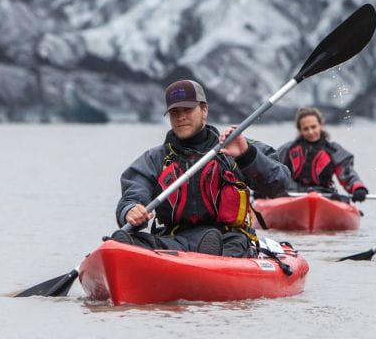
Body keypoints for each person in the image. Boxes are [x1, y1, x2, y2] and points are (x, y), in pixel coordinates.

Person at [111, 79, 290, 257]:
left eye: (187, 110)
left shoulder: (236, 146)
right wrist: (130, 210)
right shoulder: (155, 159)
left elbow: (279, 184)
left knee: (223, 244)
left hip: (229, 239)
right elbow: (133, 193)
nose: (181, 117)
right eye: (174, 112)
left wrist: (247, 155)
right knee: (129, 240)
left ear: (204, 110)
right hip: (173, 240)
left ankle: (208, 256)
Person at [276, 107, 369, 202]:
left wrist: (358, 188)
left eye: (313, 127)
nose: (311, 132)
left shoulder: (333, 150)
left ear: (321, 125)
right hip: (292, 196)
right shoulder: (287, 150)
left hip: (323, 196)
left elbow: (347, 173)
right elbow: (272, 171)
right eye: (306, 129)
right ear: (300, 130)